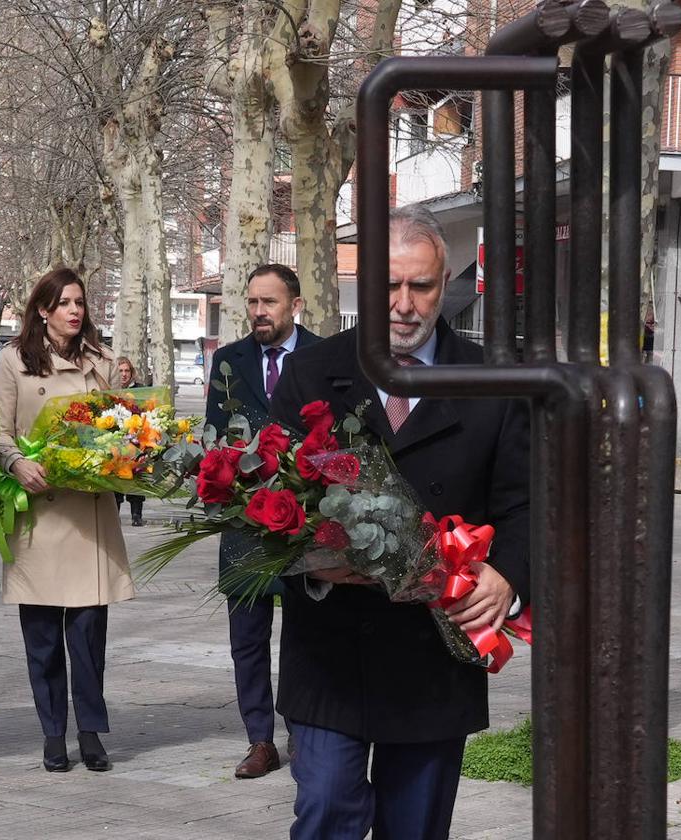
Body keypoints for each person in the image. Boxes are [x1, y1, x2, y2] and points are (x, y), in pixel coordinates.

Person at [268, 206, 530, 839]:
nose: (406, 304)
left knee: (415, 829)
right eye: (390, 285)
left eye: (423, 286)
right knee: (326, 808)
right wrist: (313, 566)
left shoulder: (493, 380)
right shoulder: (310, 371)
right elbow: (265, 506)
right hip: (332, 650)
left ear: (447, 286)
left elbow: (529, 505)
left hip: (434, 659)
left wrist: (508, 579)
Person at [0, 267, 134, 773]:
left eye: (80, 302)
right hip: (38, 513)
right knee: (44, 638)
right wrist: (15, 462)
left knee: (89, 636)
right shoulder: (14, 360)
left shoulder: (104, 361)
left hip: (89, 514)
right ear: (43, 310)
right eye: (65, 303)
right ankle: (53, 733)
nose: (75, 311)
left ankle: (91, 731)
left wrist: (125, 451)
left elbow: (125, 428)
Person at [205, 263, 321, 779]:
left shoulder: (323, 356)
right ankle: (259, 739)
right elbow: (213, 436)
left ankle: (302, 729)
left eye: (269, 302)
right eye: (252, 302)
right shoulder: (228, 361)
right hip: (244, 525)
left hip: (305, 521)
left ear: (295, 305)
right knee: (247, 638)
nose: (258, 312)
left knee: (307, 632)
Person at [112, 355, 146, 526]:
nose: (124, 374)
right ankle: (114, 514)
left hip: (136, 441)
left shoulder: (140, 390)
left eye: (127, 371)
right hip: (116, 441)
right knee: (116, 478)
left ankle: (136, 515)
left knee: (136, 477)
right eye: (120, 371)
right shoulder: (111, 390)